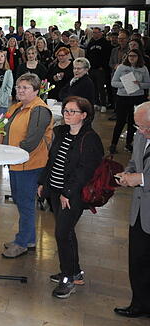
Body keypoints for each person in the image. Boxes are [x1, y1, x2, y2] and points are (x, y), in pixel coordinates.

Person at [37, 96, 102, 298]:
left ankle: (68, 279)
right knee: (66, 233)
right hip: (55, 191)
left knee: (62, 234)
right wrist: (43, 182)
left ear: (84, 115)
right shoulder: (62, 132)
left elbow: (85, 171)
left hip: (71, 195)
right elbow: (52, 161)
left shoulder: (90, 138)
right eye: (66, 110)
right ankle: (75, 272)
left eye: (72, 111)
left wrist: (67, 193)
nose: (67, 114)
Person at [1, 73, 54, 258]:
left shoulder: (39, 110)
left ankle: (22, 242)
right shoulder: (18, 107)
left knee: (25, 203)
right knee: (20, 200)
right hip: (16, 163)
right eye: (18, 87)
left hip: (29, 165)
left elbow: (31, 142)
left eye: (25, 88)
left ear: (36, 91)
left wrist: (9, 153)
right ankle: (29, 238)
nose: (20, 90)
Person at [114, 102, 150, 318]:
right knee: (137, 259)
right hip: (138, 211)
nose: (141, 132)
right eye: (138, 127)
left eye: (145, 128)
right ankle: (139, 304)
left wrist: (142, 179)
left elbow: (143, 174)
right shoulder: (139, 135)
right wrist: (127, 175)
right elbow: (134, 163)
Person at [110, 50, 150, 154]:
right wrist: (124, 84)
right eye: (130, 56)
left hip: (137, 97)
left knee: (133, 122)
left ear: (139, 57)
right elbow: (113, 82)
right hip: (123, 97)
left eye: (134, 56)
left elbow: (148, 84)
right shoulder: (121, 67)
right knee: (120, 121)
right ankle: (113, 144)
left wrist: (139, 84)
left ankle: (129, 144)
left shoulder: (143, 68)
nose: (131, 58)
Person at [86, 27, 112, 111]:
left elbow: (107, 57)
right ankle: (96, 103)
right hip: (91, 69)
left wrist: (103, 67)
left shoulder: (105, 43)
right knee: (93, 87)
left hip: (101, 69)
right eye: (93, 32)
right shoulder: (91, 42)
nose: (95, 34)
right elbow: (88, 55)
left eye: (97, 32)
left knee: (101, 87)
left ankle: (103, 104)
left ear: (101, 33)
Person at [0, 51, 14, 118]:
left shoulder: (8, 72)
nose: (0, 58)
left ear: (4, 58)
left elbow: (9, 87)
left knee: (1, 123)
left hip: (2, 101)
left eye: (2, 56)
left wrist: (1, 100)